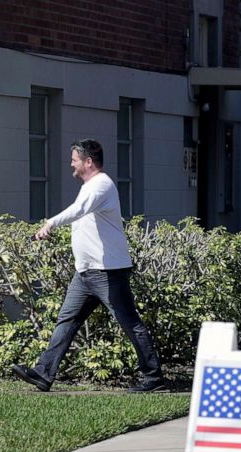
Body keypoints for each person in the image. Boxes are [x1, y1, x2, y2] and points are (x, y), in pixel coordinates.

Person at [11, 139, 165, 393]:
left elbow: (79, 209)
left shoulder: (101, 185)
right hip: (85, 272)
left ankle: (153, 377)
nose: (71, 163)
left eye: (75, 159)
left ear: (88, 162)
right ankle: (43, 373)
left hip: (107, 272)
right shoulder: (90, 186)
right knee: (67, 319)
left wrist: (50, 223)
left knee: (129, 322)